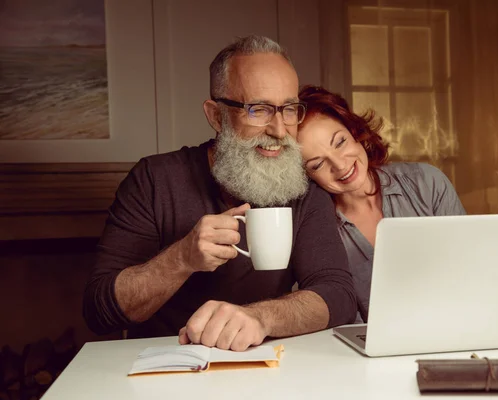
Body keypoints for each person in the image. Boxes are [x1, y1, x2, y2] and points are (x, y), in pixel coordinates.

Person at [83, 37, 357, 351]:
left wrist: (261, 318)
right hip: (167, 368)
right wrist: (182, 258)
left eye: (289, 109)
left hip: (267, 370)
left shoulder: (303, 188)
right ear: (216, 116)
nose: (280, 131)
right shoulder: (154, 180)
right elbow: (99, 312)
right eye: (258, 110)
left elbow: (338, 294)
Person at [296, 85, 466, 323]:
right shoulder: (314, 230)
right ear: (306, 176)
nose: (340, 165)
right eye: (317, 164)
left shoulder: (427, 183)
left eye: (340, 142)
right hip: (365, 355)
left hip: (454, 329)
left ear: (354, 132)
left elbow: (468, 272)